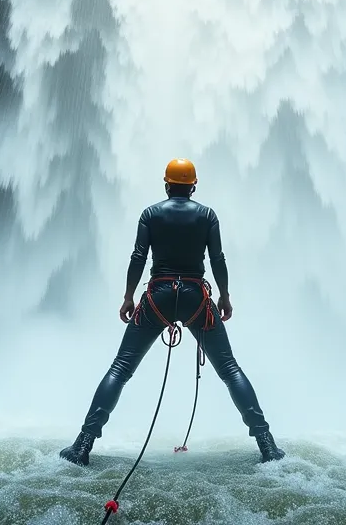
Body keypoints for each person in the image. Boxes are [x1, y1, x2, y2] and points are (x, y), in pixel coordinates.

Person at [58, 158, 286, 466]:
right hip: (196, 298)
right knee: (230, 370)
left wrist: (128, 296)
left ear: (166, 185)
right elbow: (217, 258)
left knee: (120, 370)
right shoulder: (207, 215)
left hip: (158, 296)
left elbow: (138, 257)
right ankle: (267, 446)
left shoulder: (151, 214)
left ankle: (82, 446)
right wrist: (224, 295)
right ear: (193, 186)